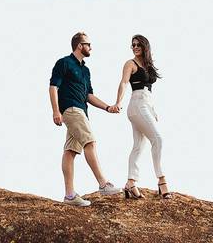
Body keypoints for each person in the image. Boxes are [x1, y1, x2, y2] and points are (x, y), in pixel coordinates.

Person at [49, 31, 124, 206]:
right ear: (79, 45)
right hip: (71, 109)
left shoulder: (86, 70)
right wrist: (55, 111)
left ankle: (69, 195)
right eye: (88, 44)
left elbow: (89, 95)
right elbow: (53, 87)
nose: (91, 47)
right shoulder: (64, 63)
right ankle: (103, 184)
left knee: (71, 151)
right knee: (90, 142)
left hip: (81, 111)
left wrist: (107, 107)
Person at [110, 34, 173, 199]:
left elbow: (149, 91)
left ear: (145, 46)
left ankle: (131, 183)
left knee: (138, 146)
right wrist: (117, 102)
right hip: (137, 105)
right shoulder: (130, 63)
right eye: (133, 45)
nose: (135, 47)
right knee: (158, 139)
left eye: (138, 44)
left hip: (146, 105)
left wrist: (153, 111)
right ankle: (162, 180)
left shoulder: (148, 64)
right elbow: (124, 82)